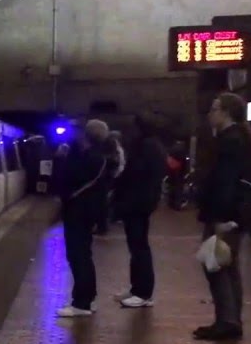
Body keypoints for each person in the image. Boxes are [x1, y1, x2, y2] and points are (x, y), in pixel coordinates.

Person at [194, 92, 251, 341]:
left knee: (216, 264)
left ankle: (227, 320)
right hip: (234, 212)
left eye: (215, 109)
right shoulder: (239, 139)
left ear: (226, 112)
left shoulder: (230, 142)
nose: (210, 114)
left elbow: (225, 182)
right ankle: (231, 319)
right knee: (227, 264)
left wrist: (220, 216)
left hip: (224, 213)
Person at [113, 116, 168, 308]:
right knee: (137, 245)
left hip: (138, 201)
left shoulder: (146, 147)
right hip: (141, 201)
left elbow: (136, 173)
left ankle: (143, 291)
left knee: (139, 246)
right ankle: (137, 288)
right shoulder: (153, 145)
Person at [57, 120, 109, 318]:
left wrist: (61, 159)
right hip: (88, 211)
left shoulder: (91, 158)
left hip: (79, 211)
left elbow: (69, 179)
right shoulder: (98, 156)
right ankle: (89, 298)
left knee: (78, 256)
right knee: (84, 255)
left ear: (86, 135)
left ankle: (81, 302)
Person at [93, 130, 125, 235]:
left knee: (104, 200)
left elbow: (116, 163)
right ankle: (106, 222)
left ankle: (103, 225)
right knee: (107, 200)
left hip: (110, 177)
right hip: (113, 176)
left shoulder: (113, 148)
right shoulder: (118, 149)